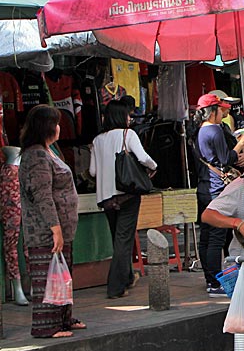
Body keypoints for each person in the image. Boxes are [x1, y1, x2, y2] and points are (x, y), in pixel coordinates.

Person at [18, 105, 82, 338]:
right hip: (45, 231)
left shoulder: (49, 150)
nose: (58, 127)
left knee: (62, 275)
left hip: (62, 229)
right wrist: (55, 228)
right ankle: (47, 325)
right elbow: (41, 194)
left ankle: (63, 318)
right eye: (55, 123)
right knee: (47, 276)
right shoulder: (35, 155)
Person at [90, 100, 158, 299]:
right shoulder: (128, 135)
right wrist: (154, 167)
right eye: (128, 115)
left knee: (118, 239)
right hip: (127, 194)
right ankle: (115, 287)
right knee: (123, 240)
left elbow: (93, 171)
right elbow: (143, 158)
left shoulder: (97, 140)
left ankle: (127, 277)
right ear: (121, 116)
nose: (130, 118)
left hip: (106, 197)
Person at [193, 93, 244, 297]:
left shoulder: (198, 131)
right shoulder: (214, 130)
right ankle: (216, 281)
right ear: (213, 111)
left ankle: (210, 279)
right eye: (220, 110)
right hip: (216, 188)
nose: (223, 114)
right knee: (216, 236)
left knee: (206, 236)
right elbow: (225, 159)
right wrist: (241, 143)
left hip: (204, 186)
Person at [1, 146, 28, 305]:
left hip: (19, 167)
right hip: (11, 200)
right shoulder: (8, 171)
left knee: (27, 242)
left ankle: (27, 285)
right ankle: (17, 285)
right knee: (12, 241)